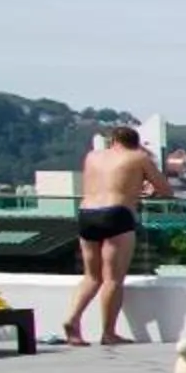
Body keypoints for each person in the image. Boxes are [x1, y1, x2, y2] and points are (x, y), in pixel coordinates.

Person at [60, 126, 173, 345]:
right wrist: (145, 186)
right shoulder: (138, 157)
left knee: (92, 277)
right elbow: (166, 191)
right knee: (112, 278)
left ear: (112, 141)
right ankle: (108, 333)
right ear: (136, 142)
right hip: (116, 213)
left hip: (87, 213)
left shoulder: (92, 156)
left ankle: (72, 318)